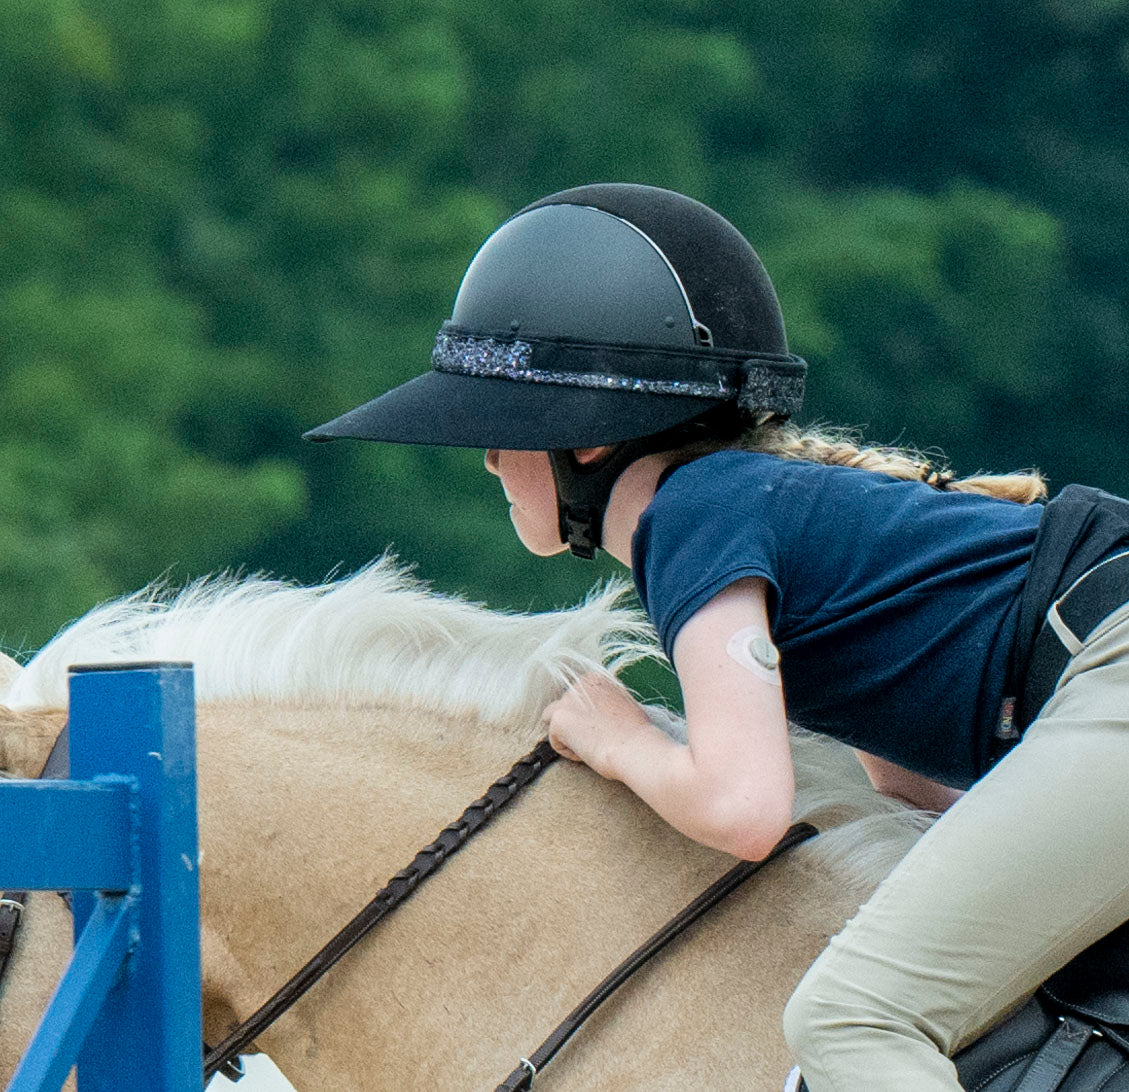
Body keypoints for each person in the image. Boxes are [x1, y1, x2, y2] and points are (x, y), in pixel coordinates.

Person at [305, 183, 1129, 1090]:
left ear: (584, 444)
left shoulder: (690, 518)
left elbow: (742, 811)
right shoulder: (742, 509)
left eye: (498, 433)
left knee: (852, 1018)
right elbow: (910, 784)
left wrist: (623, 743)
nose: (491, 461)